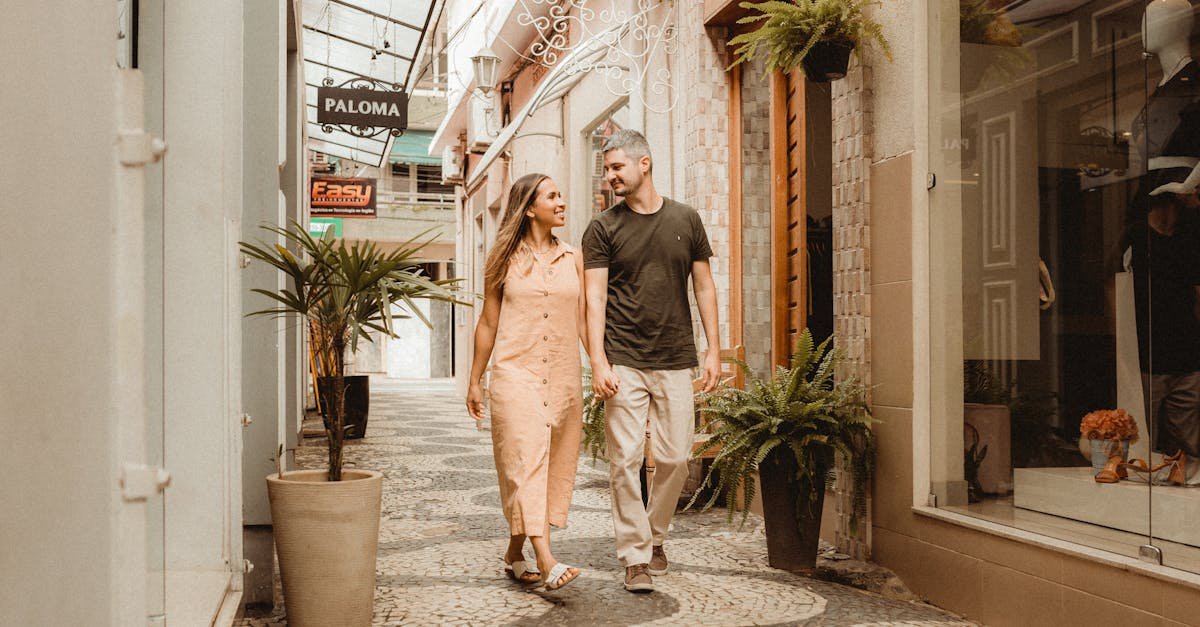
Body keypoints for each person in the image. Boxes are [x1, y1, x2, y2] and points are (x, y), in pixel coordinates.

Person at [582, 129, 722, 592]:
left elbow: (703, 286)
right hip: (623, 358)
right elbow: (594, 297)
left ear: (645, 163)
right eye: (607, 169)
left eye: (616, 167)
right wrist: (598, 360)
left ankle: (654, 534)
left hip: (675, 356)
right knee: (624, 460)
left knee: (676, 457)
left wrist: (713, 350)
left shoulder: (686, 218)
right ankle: (636, 557)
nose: (610, 177)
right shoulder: (603, 228)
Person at [466, 173, 586, 590]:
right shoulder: (503, 259)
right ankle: (546, 557)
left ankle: (515, 550)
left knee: (548, 465)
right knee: (526, 460)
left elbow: (586, 319)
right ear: (529, 208)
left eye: (560, 194)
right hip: (515, 375)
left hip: (563, 376)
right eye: (552, 195)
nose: (561, 201)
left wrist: (603, 365)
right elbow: (488, 321)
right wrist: (474, 380)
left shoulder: (574, 257)